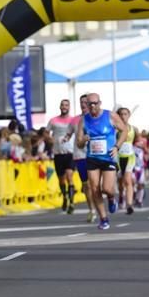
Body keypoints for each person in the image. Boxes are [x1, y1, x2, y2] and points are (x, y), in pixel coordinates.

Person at [76, 93, 127, 230]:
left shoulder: (110, 116)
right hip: (92, 158)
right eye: (90, 103)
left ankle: (111, 198)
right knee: (94, 188)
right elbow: (78, 144)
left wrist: (117, 147)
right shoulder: (83, 120)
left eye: (95, 103)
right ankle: (104, 219)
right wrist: (83, 140)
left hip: (108, 157)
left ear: (100, 103)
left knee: (107, 188)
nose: (93, 106)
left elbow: (124, 130)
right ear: (86, 105)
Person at [67, 94, 96, 222]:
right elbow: (69, 133)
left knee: (94, 184)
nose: (83, 104)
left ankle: (98, 205)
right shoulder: (74, 120)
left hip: (95, 154)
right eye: (81, 102)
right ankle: (92, 210)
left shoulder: (97, 118)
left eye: (86, 102)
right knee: (86, 185)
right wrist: (65, 138)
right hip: (80, 155)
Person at [47, 99, 76, 214]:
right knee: (61, 179)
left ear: (69, 107)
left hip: (70, 152)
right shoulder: (53, 120)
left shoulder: (73, 120)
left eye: (66, 105)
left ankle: (72, 203)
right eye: (62, 105)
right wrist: (50, 140)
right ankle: (65, 197)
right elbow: (46, 132)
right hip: (58, 153)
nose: (64, 107)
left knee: (70, 177)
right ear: (60, 107)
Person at [115, 107, 138, 214]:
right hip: (119, 158)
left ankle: (129, 204)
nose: (123, 116)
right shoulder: (114, 129)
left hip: (130, 157)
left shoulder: (134, 129)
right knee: (120, 182)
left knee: (127, 180)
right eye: (121, 114)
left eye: (125, 114)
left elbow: (136, 141)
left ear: (129, 115)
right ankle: (121, 195)